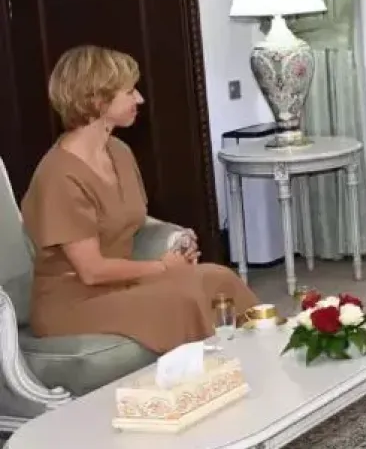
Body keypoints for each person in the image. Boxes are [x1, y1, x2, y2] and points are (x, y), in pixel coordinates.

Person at [21, 45, 260, 354]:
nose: (140, 99)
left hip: (120, 285)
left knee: (218, 279)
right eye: (130, 91)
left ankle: (261, 357)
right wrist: (162, 268)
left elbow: (123, 216)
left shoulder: (119, 152)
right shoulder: (58, 175)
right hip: (73, 302)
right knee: (182, 299)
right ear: (97, 100)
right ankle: (214, 373)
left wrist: (177, 238)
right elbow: (91, 271)